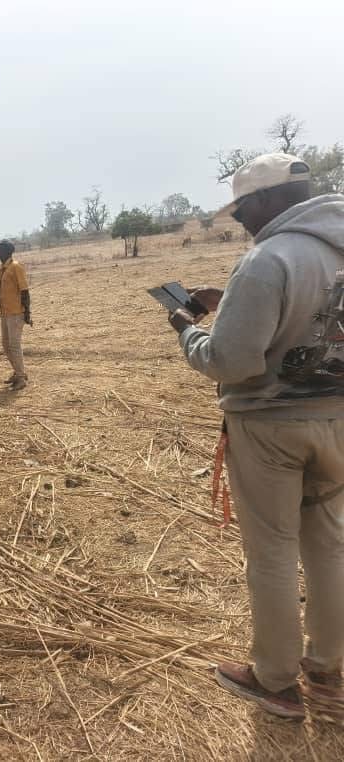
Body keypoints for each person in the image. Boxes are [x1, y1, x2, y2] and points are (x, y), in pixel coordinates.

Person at [167, 153, 344, 719]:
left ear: (265, 199)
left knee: (272, 552)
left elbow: (233, 361)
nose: (241, 220)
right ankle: (329, 671)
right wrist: (234, 302)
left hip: (270, 427)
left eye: (242, 208)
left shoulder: (268, 259)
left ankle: (274, 680)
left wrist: (187, 331)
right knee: (330, 546)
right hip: (337, 421)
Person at [0, 239, 31, 390]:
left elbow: (25, 291)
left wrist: (27, 312)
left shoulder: (16, 267)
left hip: (15, 312)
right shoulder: (3, 268)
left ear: (7, 251)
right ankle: (18, 372)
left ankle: (21, 378)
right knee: (6, 345)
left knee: (14, 346)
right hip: (5, 312)